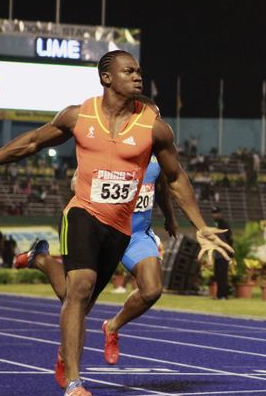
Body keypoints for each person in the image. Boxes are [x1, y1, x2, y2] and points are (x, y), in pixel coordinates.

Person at [0, 49, 233, 396]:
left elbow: (175, 177)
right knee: (80, 288)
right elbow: (30, 142)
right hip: (83, 213)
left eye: (139, 71)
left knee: (80, 300)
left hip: (122, 227)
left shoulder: (154, 127)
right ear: (107, 77)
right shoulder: (78, 116)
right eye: (129, 71)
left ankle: (44, 263)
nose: (138, 76)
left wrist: (198, 225)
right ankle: (75, 382)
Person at [14, 153, 178, 372]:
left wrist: (170, 217)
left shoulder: (158, 155)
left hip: (137, 235)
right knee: (76, 300)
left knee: (152, 290)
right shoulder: (112, 145)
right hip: (105, 231)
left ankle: (112, 326)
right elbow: (76, 183)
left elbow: (161, 186)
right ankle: (42, 260)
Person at [211, 206, 233, 299]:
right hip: (217, 253)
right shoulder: (216, 224)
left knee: (223, 275)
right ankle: (219, 294)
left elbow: (230, 238)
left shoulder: (224, 224)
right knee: (218, 275)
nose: (214, 215)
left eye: (216, 213)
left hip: (223, 253)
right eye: (213, 213)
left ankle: (224, 295)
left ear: (220, 213)